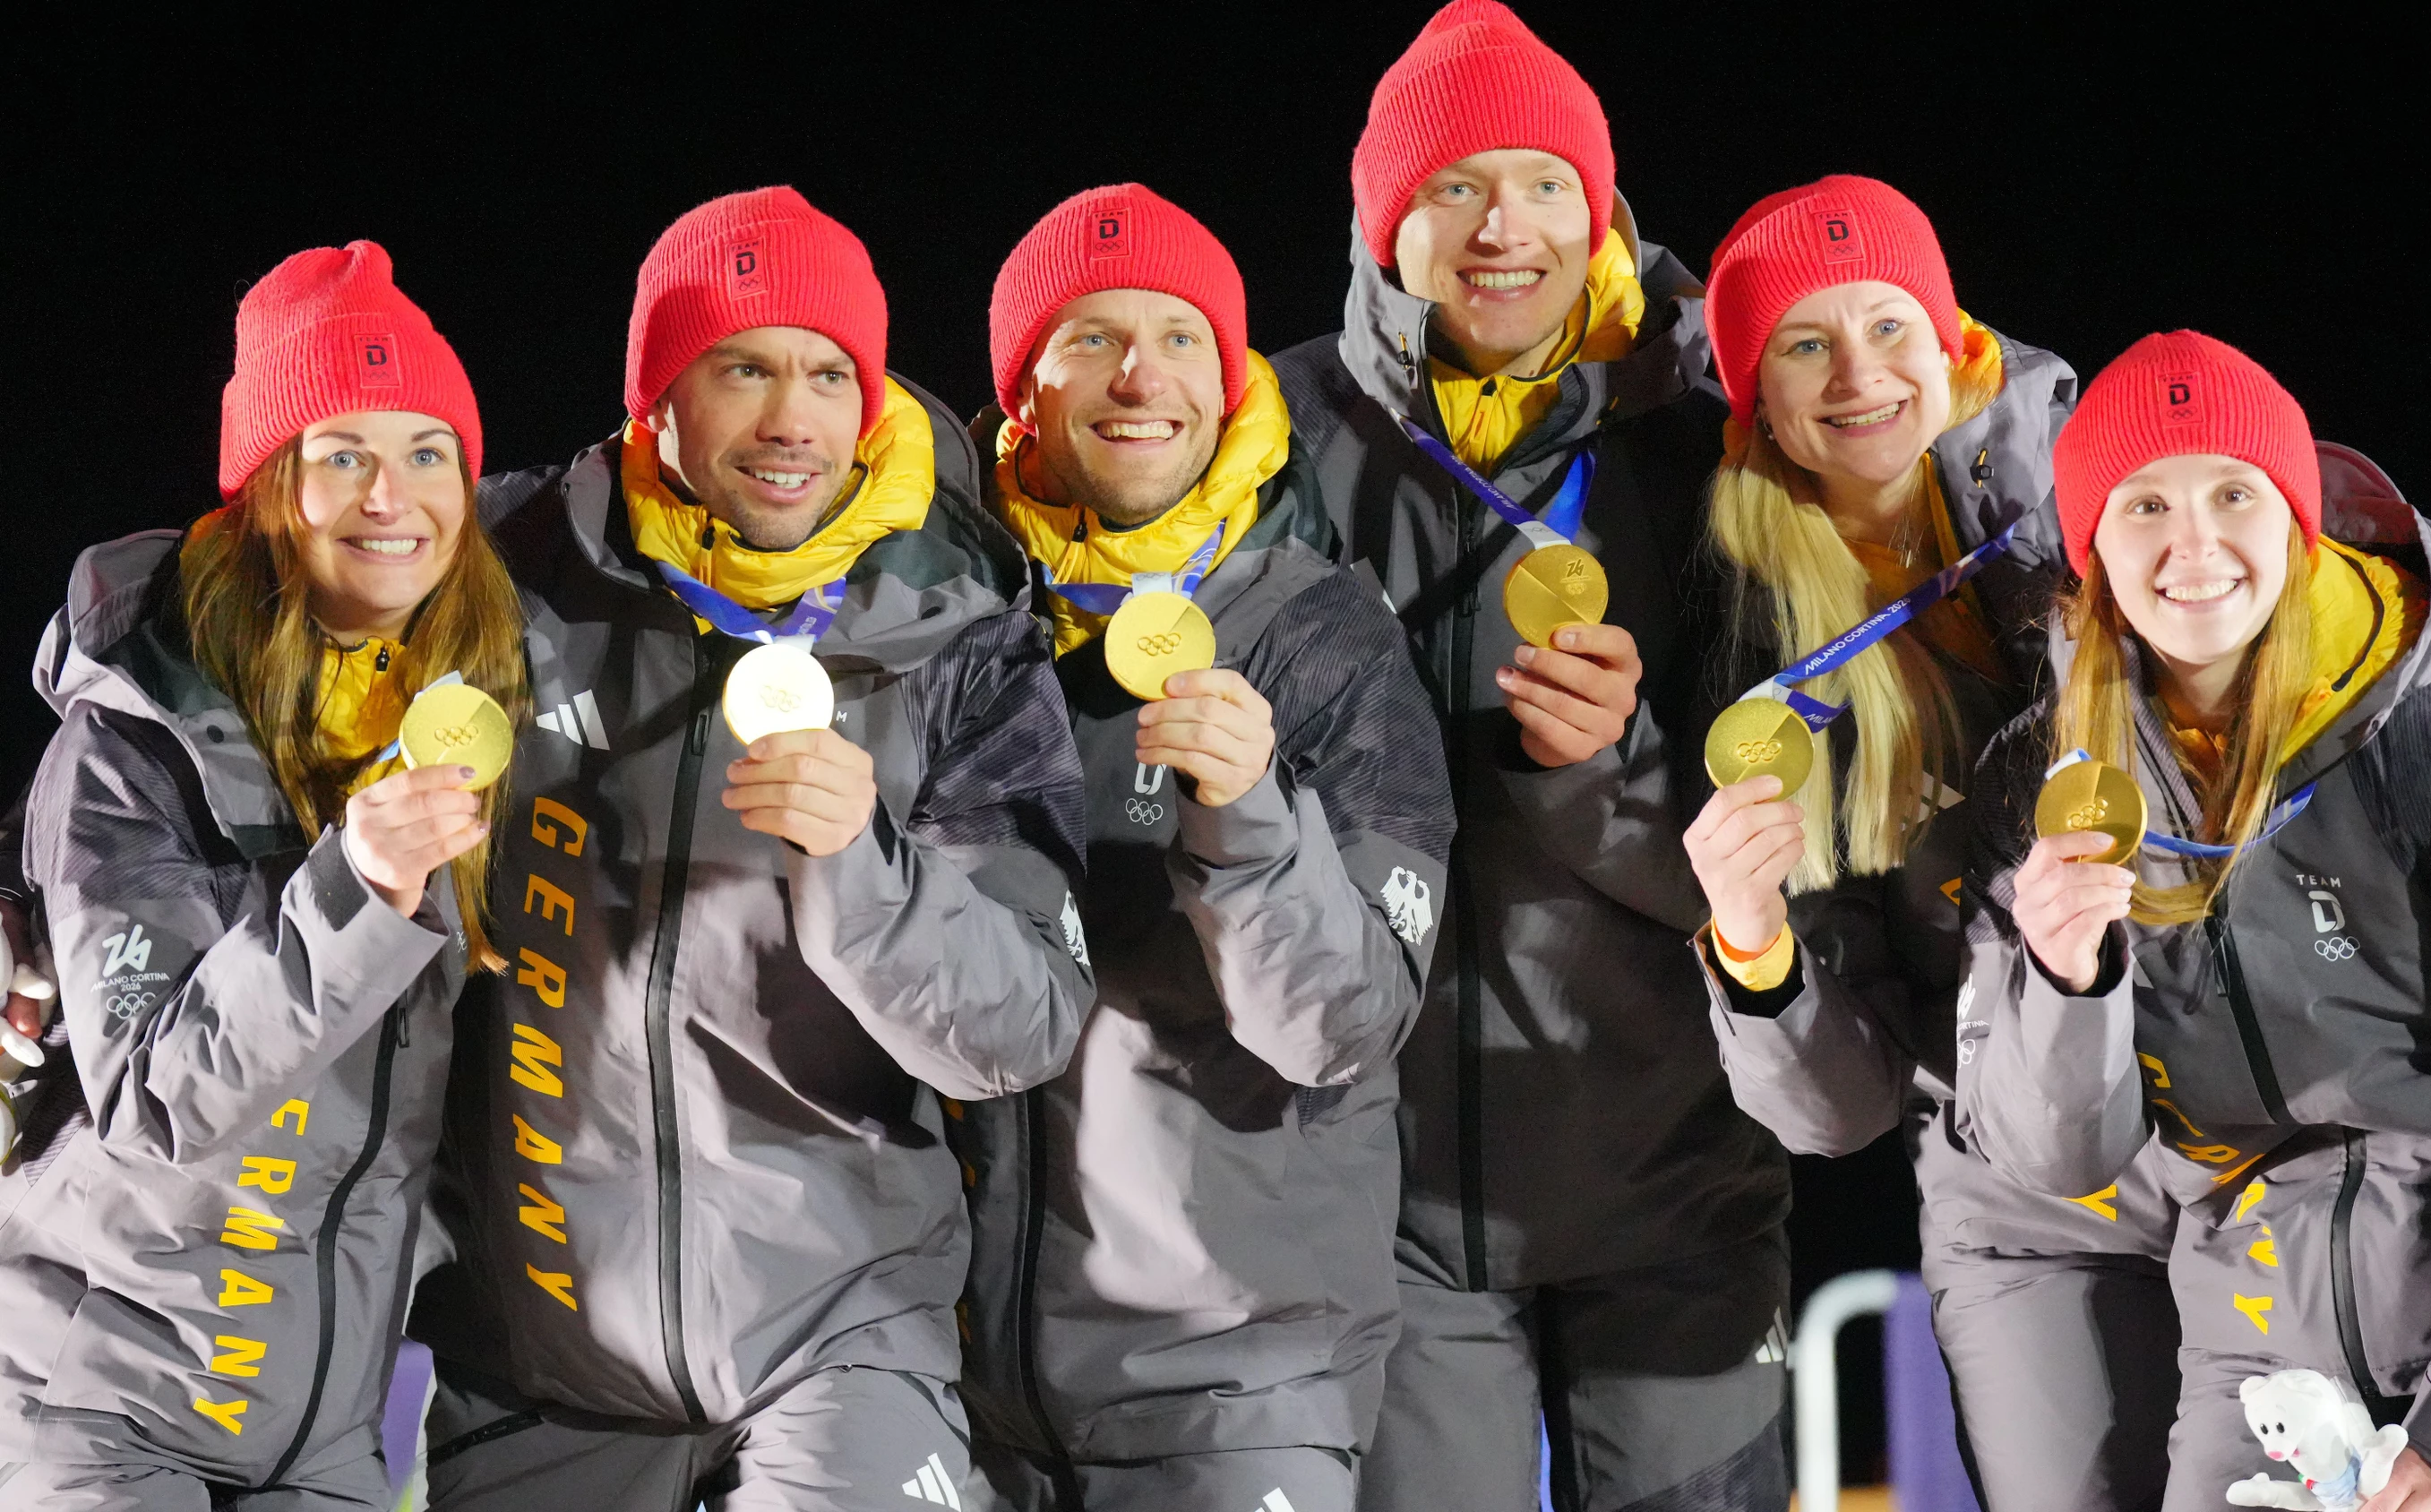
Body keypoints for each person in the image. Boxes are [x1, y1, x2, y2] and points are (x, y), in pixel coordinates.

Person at [404, 187, 1095, 1511]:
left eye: (831, 372)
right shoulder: (505, 574)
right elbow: (261, 663)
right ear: (656, 398)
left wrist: (863, 869)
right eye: (742, 368)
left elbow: (1020, 1024)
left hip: (841, 1334)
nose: (792, 419)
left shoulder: (962, 632)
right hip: (542, 1348)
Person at [1954, 331, 2431, 1510]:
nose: (2193, 542)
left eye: (2232, 492)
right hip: (2268, 1318)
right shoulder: (2041, 786)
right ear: (2091, 549)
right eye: (2144, 504)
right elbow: (2058, 1156)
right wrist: (2066, 981)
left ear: (2297, 520)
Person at [1272, 5, 1791, 1505]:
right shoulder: (1277, 433)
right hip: (1390, 1203)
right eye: (1453, 188)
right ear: (1386, 226)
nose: (1505, 227)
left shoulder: (1711, 447)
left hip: (1677, 1182)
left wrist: (1622, 766)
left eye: (1546, 183)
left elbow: (1796, 833)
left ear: (1600, 208)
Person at [1675, 176, 2179, 1511]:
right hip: (2019, 1184)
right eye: (1804, 343)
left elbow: (2324, 660)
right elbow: (1837, 1110)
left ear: (1951, 336)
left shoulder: (2108, 476)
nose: (1859, 376)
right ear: (1758, 401)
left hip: (2239, 1109)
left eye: (1889, 324)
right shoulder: (1758, 654)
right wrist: (1753, 948)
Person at [953, 182, 1452, 1512]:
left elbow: (1344, 1024)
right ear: (1024, 390)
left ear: (1231, 385)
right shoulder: (945, 626)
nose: (1140, 375)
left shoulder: (1327, 639)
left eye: (1181, 338)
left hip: (1238, 1388)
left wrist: (1246, 827)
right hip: (949, 1382)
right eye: (1092, 337)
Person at [0, 243, 522, 1508]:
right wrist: (356, 885)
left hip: (330, 1438)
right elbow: (156, 1097)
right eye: (340, 453)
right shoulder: (133, 742)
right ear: (263, 489)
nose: (389, 496)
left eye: (426, 452)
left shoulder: (490, 710)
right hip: (104, 1411)